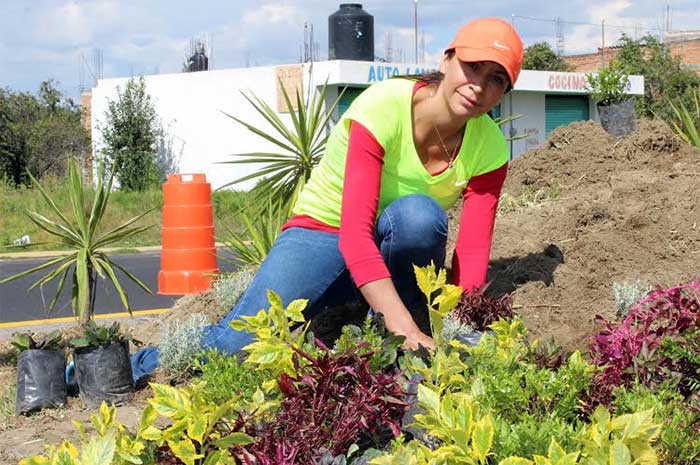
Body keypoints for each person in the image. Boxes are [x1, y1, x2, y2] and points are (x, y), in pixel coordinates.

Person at [127, 17, 524, 382]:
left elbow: (471, 254)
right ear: (447, 60)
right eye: (472, 67)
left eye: (496, 80)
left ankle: (380, 338)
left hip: (389, 249)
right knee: (236, 346)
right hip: (325, 233)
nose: (478, 86)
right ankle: (127, 366)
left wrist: (462, 333)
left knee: (419, 218)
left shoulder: (488, 147)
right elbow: (353, 237)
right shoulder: (384, 105)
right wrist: (407, 331)